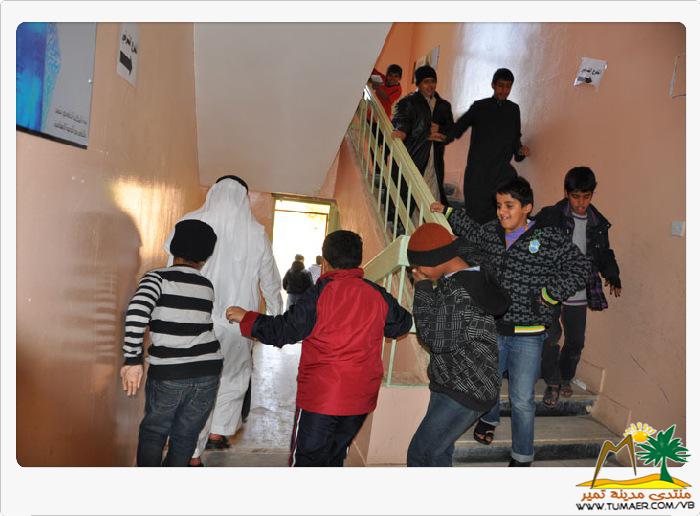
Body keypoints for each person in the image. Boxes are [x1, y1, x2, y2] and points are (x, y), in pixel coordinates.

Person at [431, 176, 589, 466]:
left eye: (509, 205)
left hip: (528, 334)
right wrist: (449, 212)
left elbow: (581, 267)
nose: (502, 212)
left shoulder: (547, 238)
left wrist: (550, 294)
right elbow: (473, 231)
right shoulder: (492, 232)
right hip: (492, 328)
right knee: (487, 385)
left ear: (527, 207)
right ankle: (489, 419)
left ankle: (522, 457)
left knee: (522, 400)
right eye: (499, 205)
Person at [226, 230, 413, 466]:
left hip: (322, 398)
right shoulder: (377, 294)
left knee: (307, 460)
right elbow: (401, 324)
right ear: (358, 260)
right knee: (335, 455)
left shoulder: (319, 294)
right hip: (360, 399)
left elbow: (284, 330)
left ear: (325, 262)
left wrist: (247, 318)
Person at [163, 175, 283, 466]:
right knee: (233, 376)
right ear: (244, 198)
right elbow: (270, 280)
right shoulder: (256, 232)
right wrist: (276, 319)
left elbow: (171, 268)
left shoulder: (190, 221)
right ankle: (218, 430)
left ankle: (193, 454)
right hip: (237, 323)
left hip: (195, 318)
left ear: (213, 193)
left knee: (196, 385)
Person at [406, 223, 510, 467]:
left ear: (435, 261)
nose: (416, 271)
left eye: (418, 266)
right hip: (455, 381)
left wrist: (422, 288)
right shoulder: (468, 270)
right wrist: (454, 242)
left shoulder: (460, 292)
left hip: (464, 388)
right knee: (437, 454)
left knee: (420, 454)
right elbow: (467, 248)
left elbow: (434, 338)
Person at [121, 219, 222, 466]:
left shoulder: (157, 278)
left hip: (170, 372)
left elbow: (137, 311)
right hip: (208, 371)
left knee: (154, 432)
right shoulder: (206, 285)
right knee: (186, 436)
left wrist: (132, 360)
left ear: (173, 247)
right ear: (205, 257)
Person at [535, 167, 622, 407]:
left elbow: (603, 253)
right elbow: (533, 244)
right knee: (551, 337)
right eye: (575, 197)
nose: (581, 203)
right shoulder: (551, 216)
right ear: (566, 193)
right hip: (551, 288)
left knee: (575, 341)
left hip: (579, 290)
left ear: (592, 194)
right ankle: (553, 382)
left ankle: (565, 377)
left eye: (586, 196)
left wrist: (613, 273)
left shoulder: (597, 223)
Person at [445, 68, 531, 224]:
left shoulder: (513, 110)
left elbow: (515, 140)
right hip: (478, 175)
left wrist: (520, 150)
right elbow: (458, 127)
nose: (504, 90)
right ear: (493, 85)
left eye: (508, 86)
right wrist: (442, 135)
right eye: (501, 85)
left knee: (500, 220)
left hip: (501, 176)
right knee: (474, 220)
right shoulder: (480, 107)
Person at [391, 65, 454, 220]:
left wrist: (441, 131)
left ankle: (429, 230)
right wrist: (405, 132)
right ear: (418, 84)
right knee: (413, 197)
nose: (430, 85)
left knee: (433, 197)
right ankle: (412, 229)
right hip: (416, 157)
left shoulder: (443, 106)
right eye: (426, 81)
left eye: (433, 81)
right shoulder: (409, 102)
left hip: (434, 161)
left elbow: (451, 131)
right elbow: (402, 122)